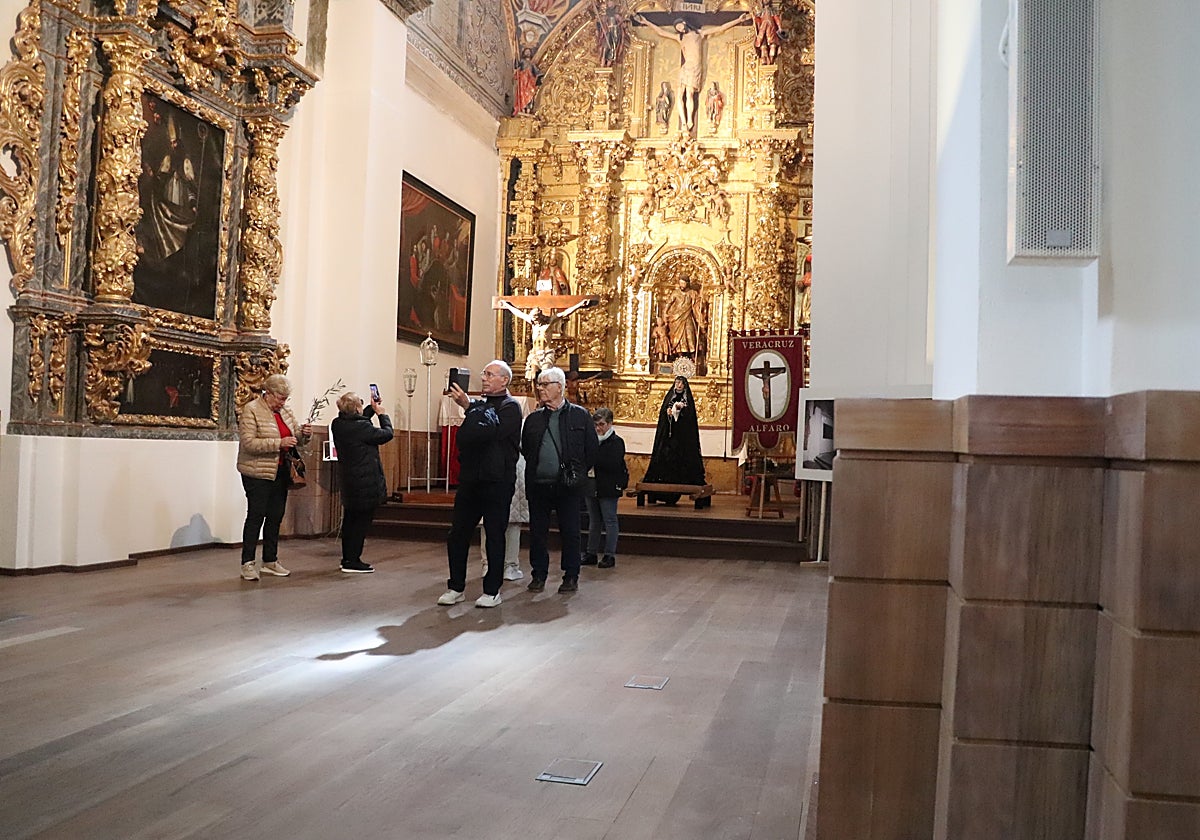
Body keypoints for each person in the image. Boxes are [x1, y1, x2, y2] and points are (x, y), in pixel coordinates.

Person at [439, 360, 523, 608]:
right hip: (471, 479)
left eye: (489, 374)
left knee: (495, 535)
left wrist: (468, 407)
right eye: (484, 373)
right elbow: (467, 437)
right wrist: (472, 409)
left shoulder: (511, 407)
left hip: (497, 481)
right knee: (458, 534)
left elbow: (491, 432)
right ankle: (456, 587)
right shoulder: (481, 406)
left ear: (504, 380)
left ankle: (491, 590)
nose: (484, 378)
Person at [521, 366, 599, 593]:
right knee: (537, 533)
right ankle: (539, 574)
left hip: (568, 486)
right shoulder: (534, 419)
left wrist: (577, 473)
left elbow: (591, 450)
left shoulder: (579, 415)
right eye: (539, 384)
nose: (540, 388)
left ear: (559, 387)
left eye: (545, 384)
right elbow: (527, 449)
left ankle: (571, 575)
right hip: (539, 485)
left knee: (571, 531)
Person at [236, 374, 312, 581]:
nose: (283, 402)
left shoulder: (285, 411)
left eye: (285, 398)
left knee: (275, 516)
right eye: (279, 398)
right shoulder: (251, 409)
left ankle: (270, 560)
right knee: (256, 516)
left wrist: (304, 434)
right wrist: (278, 443)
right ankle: (247, 563)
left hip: (280, 471)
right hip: (257, 472)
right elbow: (248, 443)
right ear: (267, 393)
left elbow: (296, 439)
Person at [634, 12, 751, 132]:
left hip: (695, 68)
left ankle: (690, 119)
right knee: (680, 95)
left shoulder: (698, 34)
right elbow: (661, 32)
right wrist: (646, 22)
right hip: (685, 68)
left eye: (679, 26)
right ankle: (683, 122)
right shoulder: (680, 38)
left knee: (689, 94)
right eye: (677, 28)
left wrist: (738, 20)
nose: (679, 29)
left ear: (684, 23)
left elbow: (720, 28)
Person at [330, 390, 394, 573]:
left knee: (350, 520)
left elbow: (358, 421)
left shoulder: (338, 424)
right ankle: (353, 560)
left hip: (350, 480)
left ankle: (347, 558)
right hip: (364, 481)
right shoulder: (361, 429)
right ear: (356, 408)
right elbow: (387, 434)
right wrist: (382, 414)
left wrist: (371, 409)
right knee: (360, 523)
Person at [642, 376, 705, 504]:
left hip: (683, 439)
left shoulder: (688, 399)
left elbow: (690, 418)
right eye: (677, 382)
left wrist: (681, 412)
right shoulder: (669, 396)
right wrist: (668, 412)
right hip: (668, 438)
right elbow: (663, 415)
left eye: (681, 383)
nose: (679, 385)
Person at [583, 407, 628, 569]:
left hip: (608, 486)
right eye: (595, 424)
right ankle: (591, 552)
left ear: (610, 424)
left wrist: (594, 457)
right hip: (591, 483)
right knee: (594, 520)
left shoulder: (616, 442)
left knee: (609, 520)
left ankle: (609, 554)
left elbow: (611, 463)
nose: (598, 428)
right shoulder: (591, 440)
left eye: (601, 424)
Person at [479, 452, 528, 582]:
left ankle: (488, 564)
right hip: (515, 465)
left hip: (488, 465)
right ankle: (509, 566)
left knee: (488, 520)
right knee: (513, 522)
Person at [513, 47, 543, 116]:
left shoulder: (532, 64)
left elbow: (537, 72)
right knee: (522, 94)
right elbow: (516, 65)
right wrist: (516, 58)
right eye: (526, 52)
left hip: (529, 81)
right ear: (523, 53)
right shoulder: (522, 61)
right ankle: (522, 109)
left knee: (529, 93)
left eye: (528, 52)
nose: (527, 53)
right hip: (523, 80)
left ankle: (528, 110)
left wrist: (541, 77)